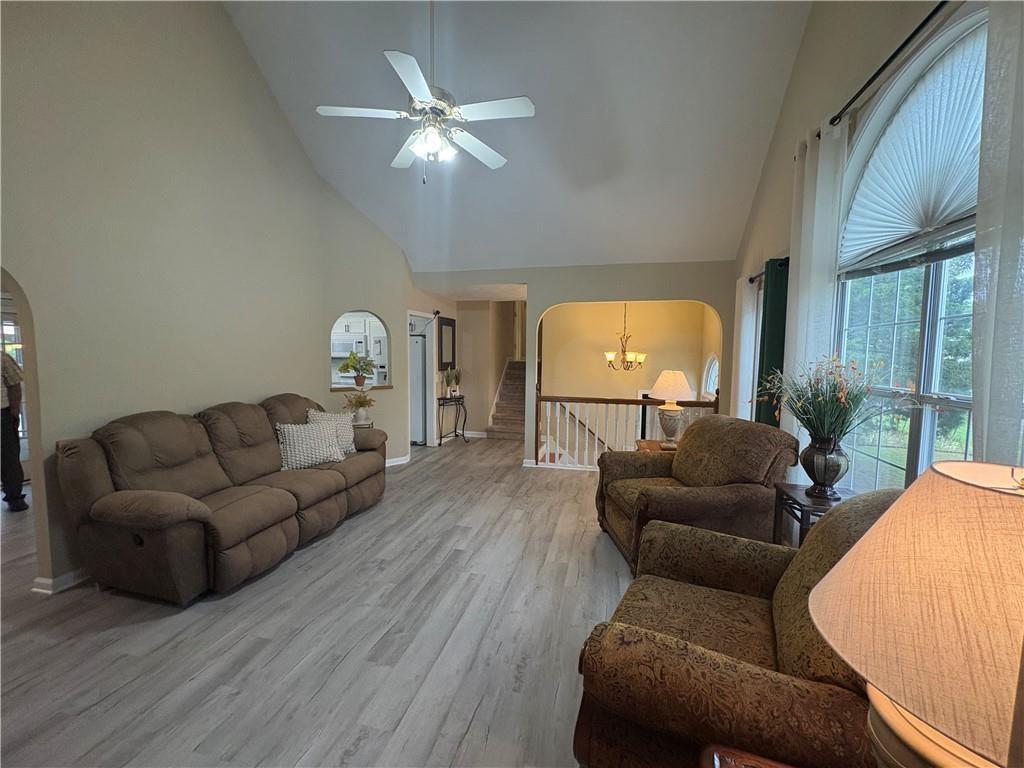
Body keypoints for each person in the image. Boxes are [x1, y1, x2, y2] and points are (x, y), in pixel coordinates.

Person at [2, 351, 28, 511]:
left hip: (2, 414)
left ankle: (15, 498)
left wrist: (14, 412)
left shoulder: (2, 358)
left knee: (9, 458)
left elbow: (14, 385)